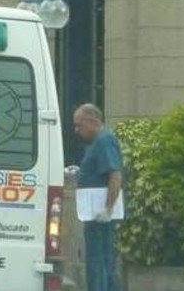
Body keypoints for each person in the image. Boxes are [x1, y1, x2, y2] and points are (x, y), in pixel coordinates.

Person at [73, 103, 123, 291]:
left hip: (101, 216)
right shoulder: (95, 143)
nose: (77, 131)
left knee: (100, 264)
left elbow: (114, 175)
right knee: (99, 262)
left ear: (92, 121)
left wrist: (108, 209)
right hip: (93, 215)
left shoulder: (104, 140)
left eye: (79, 125)